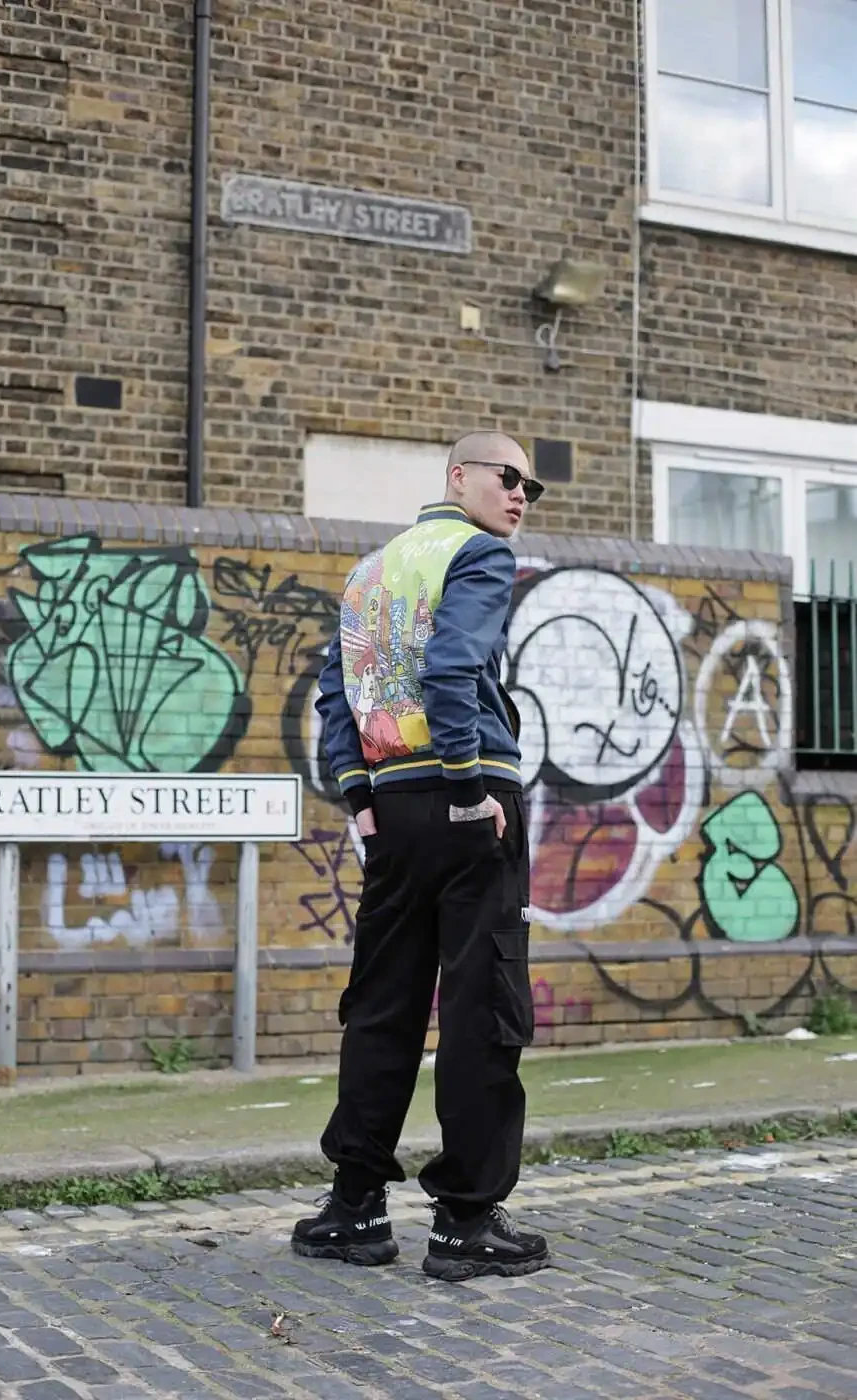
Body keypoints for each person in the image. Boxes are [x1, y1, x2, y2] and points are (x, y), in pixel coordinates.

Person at [291, 430, 550, 1282]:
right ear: (458, 477)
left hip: (395, 811)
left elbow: (339, 695)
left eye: (529, 487)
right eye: (507, 477)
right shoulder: (477, 554)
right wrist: (470, 784)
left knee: (382, 1004)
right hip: (470, 804)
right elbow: (449, 670)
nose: (519, 494)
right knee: (481, 1006)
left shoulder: (370, 573)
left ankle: (353, 1209)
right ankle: (465, 1223)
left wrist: (360, 801)